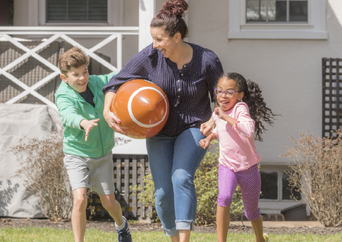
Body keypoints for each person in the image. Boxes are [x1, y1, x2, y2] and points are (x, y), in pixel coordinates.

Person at [102, 0, 224, 241]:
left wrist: (213, 120)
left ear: (176, 37)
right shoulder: (150, 56)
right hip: (159, 132)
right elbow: (115, 83)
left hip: (194, 127)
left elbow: (221, 97)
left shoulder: (206, 59)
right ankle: (173, 237)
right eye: (153, 39)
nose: (155, 45)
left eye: (159, 39)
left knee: (181, 177)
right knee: (163, 194)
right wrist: (107, 110)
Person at [54, 46, 132, 242]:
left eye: (85, 72)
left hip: (102, 154)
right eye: (76, 75)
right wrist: (83, 122)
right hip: (77, 154)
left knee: (109, 202)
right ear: (64, 78)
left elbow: (118, 76)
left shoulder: (97, 83)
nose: (82, 78)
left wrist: (140, 69)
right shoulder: (63, 95)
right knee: (80, 198)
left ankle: (121, 225)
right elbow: (68, 114)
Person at [199, 72, 277, 242]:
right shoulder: (218, 112)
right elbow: (219, 130)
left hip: (248, 168)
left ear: (240, 95)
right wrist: (208, 137)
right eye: (219, 91)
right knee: (224, 197)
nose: (222, 96)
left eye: (229, 92)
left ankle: (260, 238)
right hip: (227, 165)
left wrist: (224, 116)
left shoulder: (240, 109)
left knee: (251, 212)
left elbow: (248, 130)